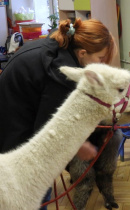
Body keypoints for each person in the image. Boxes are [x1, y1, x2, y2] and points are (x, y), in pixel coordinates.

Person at [0, 18, 116, 209]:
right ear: (83, 52)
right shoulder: (60, 73)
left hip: (12, 121)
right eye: (101, 58)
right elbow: (47, 135)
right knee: (36, 192)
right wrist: (79, 145)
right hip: (16, 138)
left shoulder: (57, 47)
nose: (102, 64)